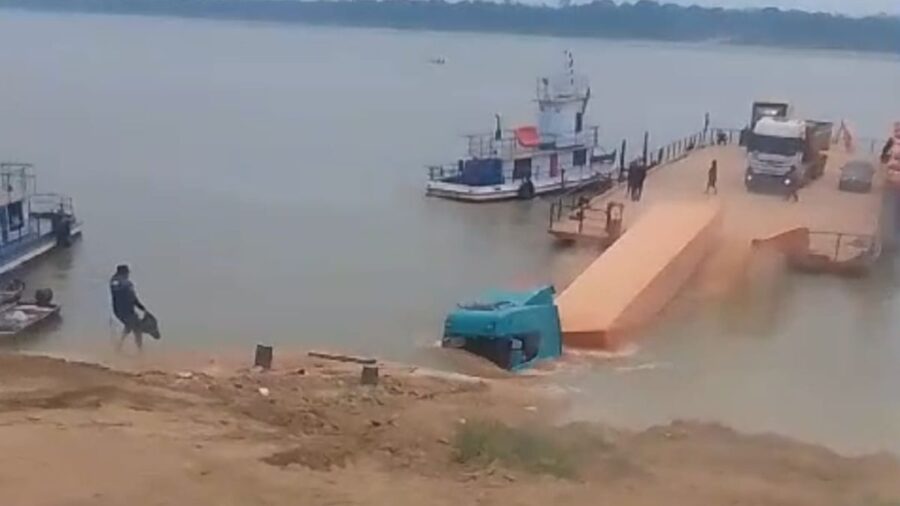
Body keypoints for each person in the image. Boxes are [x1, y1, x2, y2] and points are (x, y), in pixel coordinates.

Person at [110, 264, 146, 351]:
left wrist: (140, 306)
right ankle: (140, 350)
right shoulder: (119, 282)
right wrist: (140, 306)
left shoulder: (121, 282)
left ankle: (119, 346)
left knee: (130, 326)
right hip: (123, 310)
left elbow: (132, 296)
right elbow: (128, 295)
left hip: (124, 310)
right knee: (136, 327)